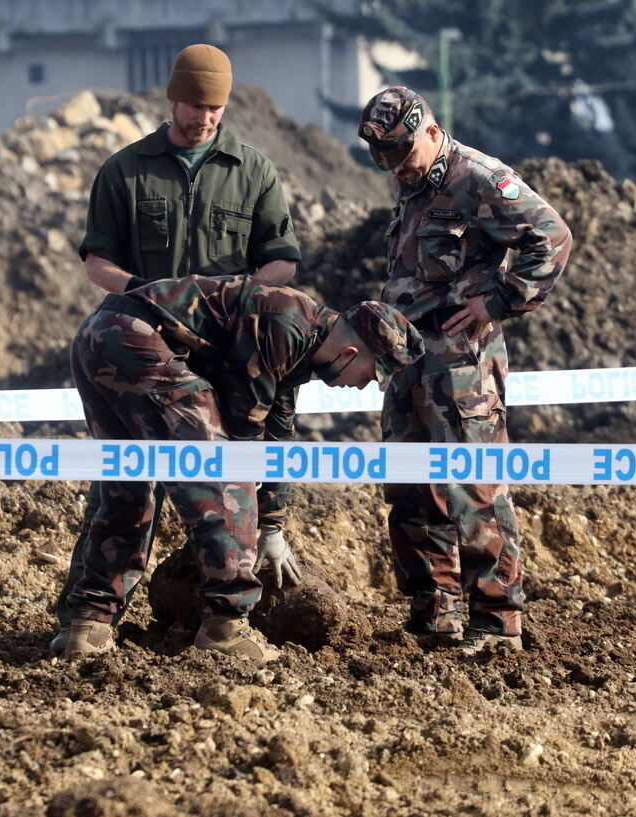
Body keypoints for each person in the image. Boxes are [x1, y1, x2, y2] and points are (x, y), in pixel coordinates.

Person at [53, 43, 305, 653]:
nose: (205, 118)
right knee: (127, 482)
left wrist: (238, 301)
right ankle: (91, 623)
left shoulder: (253, 171)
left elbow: (281, 259)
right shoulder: (125, 170)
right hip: (136, 348)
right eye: (195, 105)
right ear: (172, 99)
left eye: (216, 108)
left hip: (217, 350)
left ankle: (206, 612)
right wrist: (144, 295)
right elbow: (97, 260)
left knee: (214, 467)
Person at [62, 274, 424, 661]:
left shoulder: (300, 340)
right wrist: (240, 527)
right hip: (138, 341)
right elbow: (240, 449)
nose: (365, 385)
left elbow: (276, 441)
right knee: (225, 479)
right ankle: (226, 625)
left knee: (130, 486)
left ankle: (87, 627)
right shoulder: (283, 325)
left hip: (99, 334)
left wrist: (272, 525)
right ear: (351, 352)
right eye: (371, 374)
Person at [357, 87, 573, 652]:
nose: (396, 168)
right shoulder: (410, 181)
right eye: (386, 159)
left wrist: (498, 302)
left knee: (473, 486)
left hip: (461, 365)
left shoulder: (478, 178)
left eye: (403, 154)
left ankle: (497, 621)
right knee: (409, 485)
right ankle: (436, 612)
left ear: (429, 129)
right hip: (407, 358)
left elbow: (550, 237)